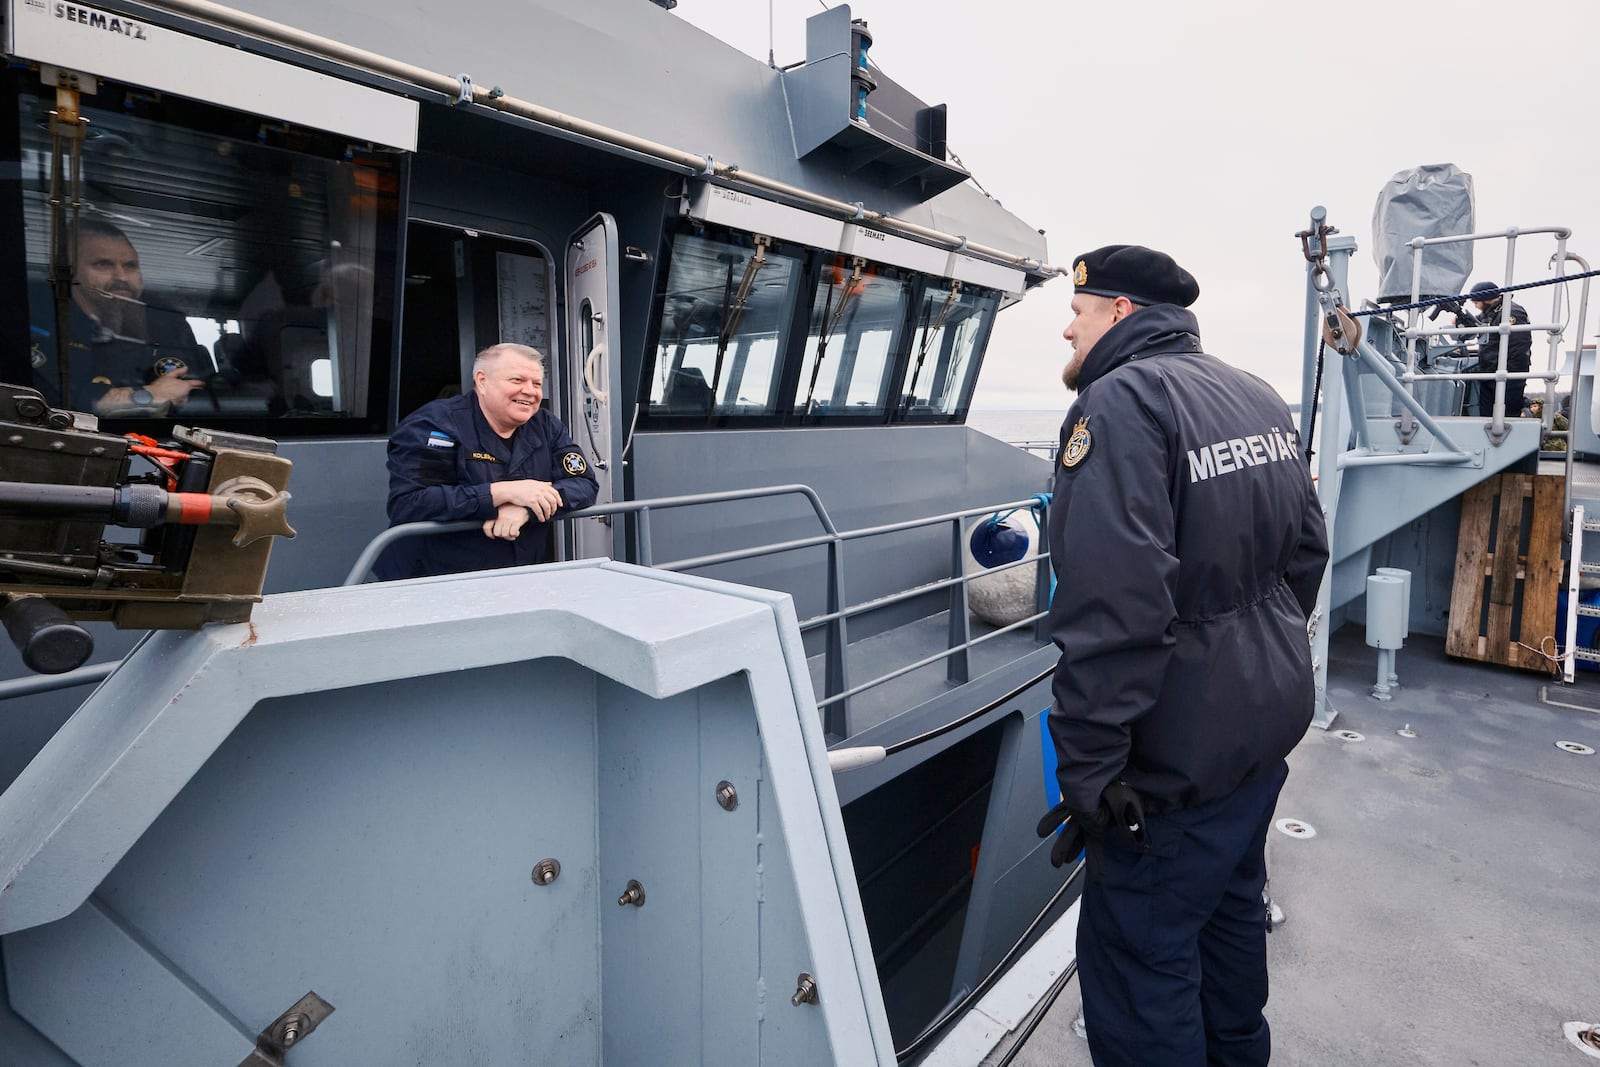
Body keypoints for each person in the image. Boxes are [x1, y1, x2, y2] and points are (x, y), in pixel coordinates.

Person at [1035, 245, 1328, 1066]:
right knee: (1231, 927)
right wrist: (1248, 663)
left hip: (1171, 773)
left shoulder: (1120, 404)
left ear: (1120, 313)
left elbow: (1112, 606)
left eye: (1079, 312)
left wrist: (1090, 771)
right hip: (1257, 741)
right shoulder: (1254, 394)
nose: (1068, 326)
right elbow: (1305, 555)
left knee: (1143, 967)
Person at [374, 343, 598, 580]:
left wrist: (526, 508)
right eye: (517, 380)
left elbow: (584, 484)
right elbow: (410, 503)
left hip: (516, 574)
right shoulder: (435, 425)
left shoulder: (545, 425)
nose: (530, 391)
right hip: (434, 579)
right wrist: (501, 492)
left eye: (537, 384)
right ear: (482, 381)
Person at [31, 218, 206, 416]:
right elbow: (46, 401)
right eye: (103, 264)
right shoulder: (42, 321)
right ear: (72, 272)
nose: (121, 277)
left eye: (130, 266)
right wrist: (147, 395)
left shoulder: (168, 322)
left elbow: (199, 393)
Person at [1454, 280, 1531, 418]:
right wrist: (1460, 320)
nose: (1476, 306)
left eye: (1476, 302)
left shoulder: (1511, 313)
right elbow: (1478, 322)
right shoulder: (1491, 312)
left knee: (1507, 417)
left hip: (1507, 376)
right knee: (1487, 418)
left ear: (1486, 299)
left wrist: (1509, 374)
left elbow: (1519, 347)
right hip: (1489, 373)